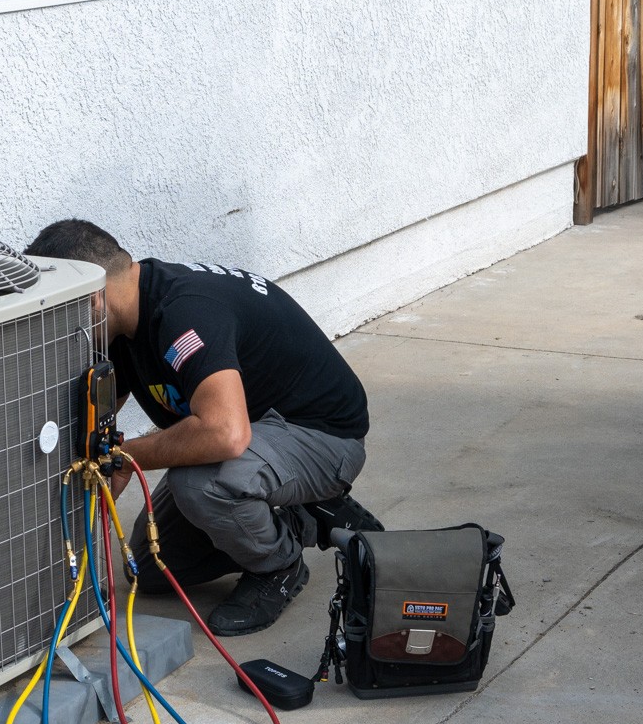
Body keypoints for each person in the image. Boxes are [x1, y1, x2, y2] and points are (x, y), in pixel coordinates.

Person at [26, 219, 381, 635]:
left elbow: (224, 434)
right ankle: (303, 517)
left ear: (91, 300)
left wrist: (123, 459)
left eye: (59, 309)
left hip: (322, 436)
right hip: (259, 433)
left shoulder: (184, 311)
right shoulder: (123, 321)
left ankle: (279, 567)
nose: (59, 328)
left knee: (201, 485)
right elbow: (92, 431)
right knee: (151, 567)